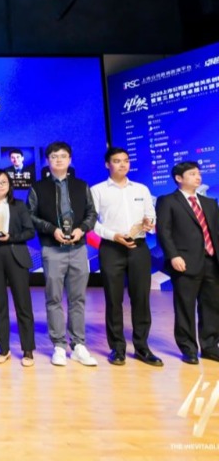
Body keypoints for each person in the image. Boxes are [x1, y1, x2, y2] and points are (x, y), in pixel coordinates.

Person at [27, 141, 98, 367]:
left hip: (78, 248)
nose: (58, 160)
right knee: (54, 298)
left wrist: (82, 229)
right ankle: (58, 345)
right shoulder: (38, 188)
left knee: (78, 298)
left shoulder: (81, 186)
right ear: (47, 160)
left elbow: (92, 213)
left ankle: (78, 345)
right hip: (52, 248)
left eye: (63, 156)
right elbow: (31, 216)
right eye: (54, 156)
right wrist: (52, 230)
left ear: (70, 160)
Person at [91, 147, 163, 367]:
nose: (122, 164)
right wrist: (113, 236)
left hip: (138, 248)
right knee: (114, 300)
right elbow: (92, 223)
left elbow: (151, 215)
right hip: (111, 247)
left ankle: (142, 347)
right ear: (107, 164)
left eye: (126, 160)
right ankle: (117, 348)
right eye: (117, 161)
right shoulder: (97, 190)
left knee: (141, 298)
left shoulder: (141, 189)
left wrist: (150, 223)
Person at [156, 161, 219, 365]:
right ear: (179, 178)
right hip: (184, 261)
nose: (198, 177)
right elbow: (164, 231)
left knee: (212, 306)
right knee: (185, 306)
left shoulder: (209, 203)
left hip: (211, 261)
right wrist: (173, 255)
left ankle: (210, 347)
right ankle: (188, 348)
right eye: (192, 174)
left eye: (198, 173)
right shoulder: (168, 201)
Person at [0, 169, 36, 367]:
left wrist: (12, 237)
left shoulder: (19, 205)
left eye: (3, 182)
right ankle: (4, 349)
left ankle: (27, 350)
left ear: (9, 185)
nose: (0, 186)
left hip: (16, 256)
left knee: (23, 305)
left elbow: (29, 232)